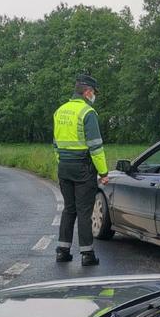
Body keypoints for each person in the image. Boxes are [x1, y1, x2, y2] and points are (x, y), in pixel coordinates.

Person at [53, 74, 109, 266]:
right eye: (93, 93)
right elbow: (95, 146)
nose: (94, 96)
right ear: (87, 92)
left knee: (69, 209)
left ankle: (62, 250)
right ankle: (87, 254)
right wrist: (103, 173)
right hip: (83, 168)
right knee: (84, 211)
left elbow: (56, 144)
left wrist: (62, 162)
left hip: (64, 167)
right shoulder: (88, 113)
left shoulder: (60, 111)